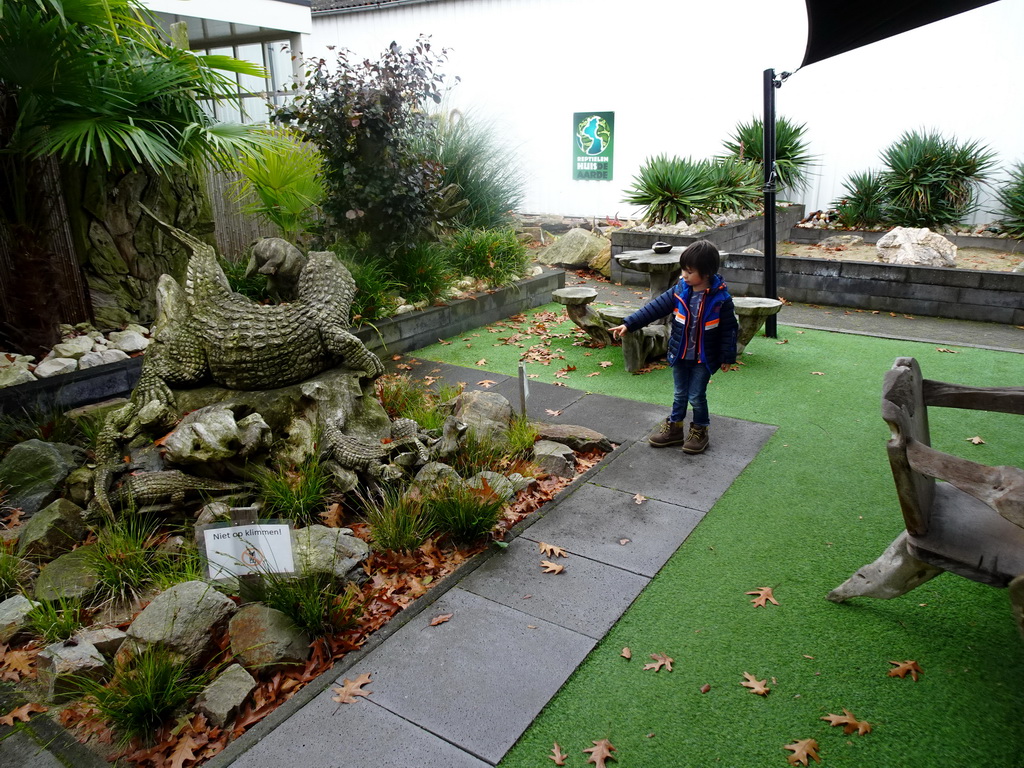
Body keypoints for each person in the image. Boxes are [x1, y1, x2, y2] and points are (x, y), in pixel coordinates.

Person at [608, 240, 738, 454]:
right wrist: (629, 323)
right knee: (679, 394)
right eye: (683, 270)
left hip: (703, 358)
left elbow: (729, 329)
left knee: (696, 396)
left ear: (706, 273)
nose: (684, 275)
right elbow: (654, 308)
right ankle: (675, 428)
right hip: (679, 353)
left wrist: (726, 356)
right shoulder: (680, 290)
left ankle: (700, 430)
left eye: (689, 271)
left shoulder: (721, 299)